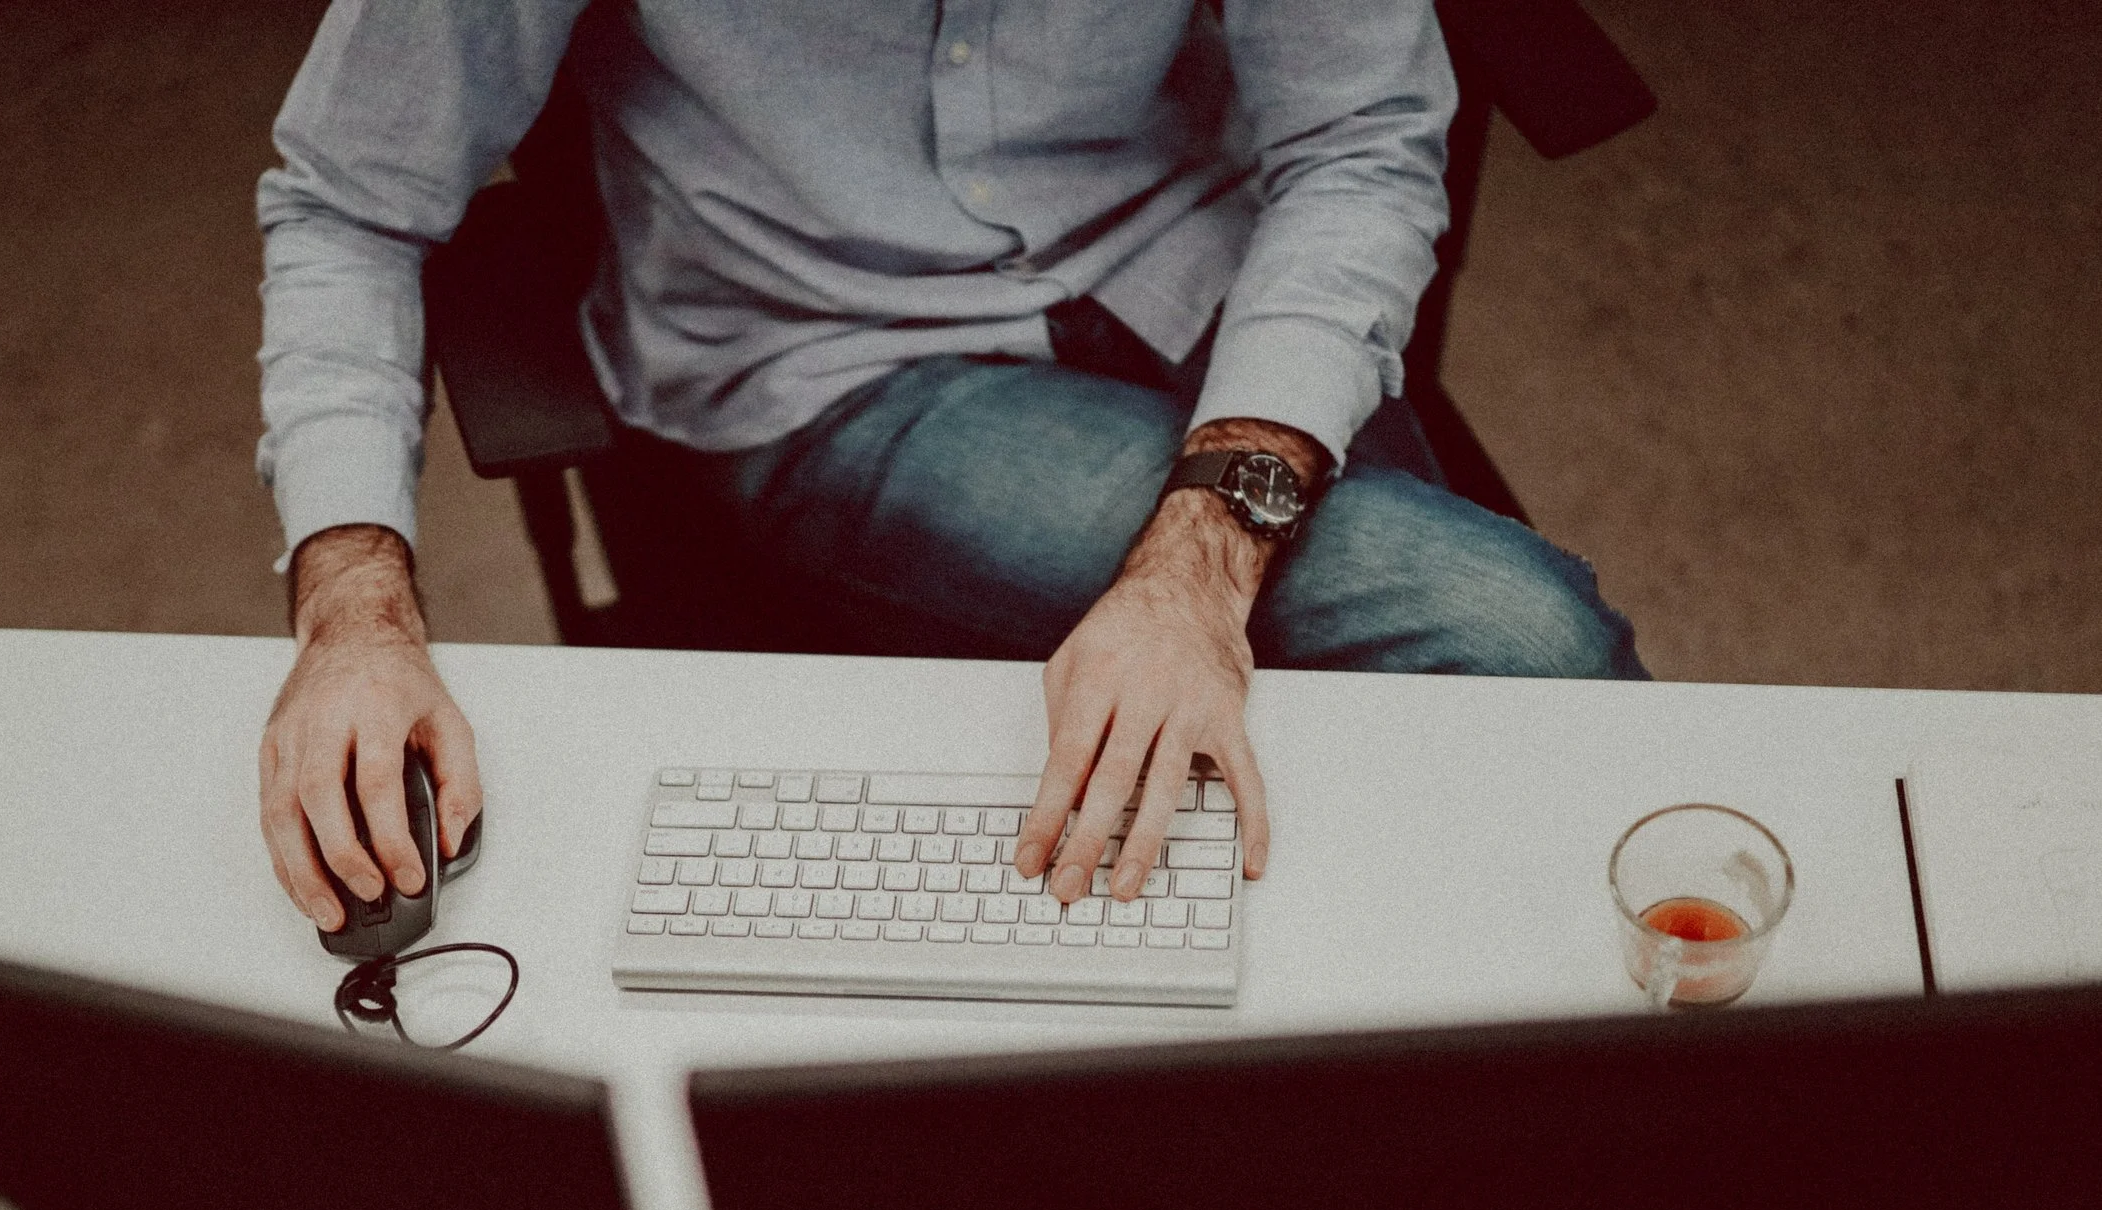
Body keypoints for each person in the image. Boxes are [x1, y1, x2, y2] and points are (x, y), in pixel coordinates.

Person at [252, 0, 1648, 933]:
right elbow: (347, 201)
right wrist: (354, 604)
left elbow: (1359, 135)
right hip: (834, 357)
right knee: (1517, 641)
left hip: (1196, 262)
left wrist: (1198, 564)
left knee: (1492, 735)